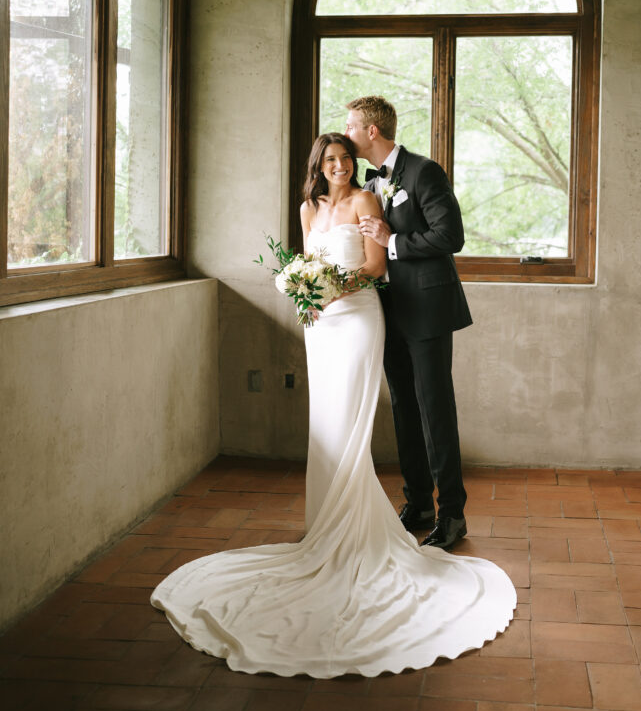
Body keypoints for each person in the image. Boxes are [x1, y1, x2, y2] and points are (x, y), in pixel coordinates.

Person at [150, 132, 515, 678]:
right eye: (332, 160)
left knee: (355, 420)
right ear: (318, 167)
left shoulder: (371, 197)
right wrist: (304, 289)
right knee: (326, 421)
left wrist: (334, 286)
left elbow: (374, 266)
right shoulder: (308, 207)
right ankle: (333, 520)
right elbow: (304, 259)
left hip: (359, 316)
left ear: (357, 155)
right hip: (320, 325)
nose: (342, 166)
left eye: (347, 157)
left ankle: (387, 520)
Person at [346, 96, 472, 552]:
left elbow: (450, 235)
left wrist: (392, 240)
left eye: (351, 126)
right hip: (388, 310)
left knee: (434, 408)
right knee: (403, 405)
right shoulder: (369, 180)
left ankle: (452, 514)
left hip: (428, 309)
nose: (347, 132)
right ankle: (417, 502)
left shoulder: (423, 172)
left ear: (372, 131)